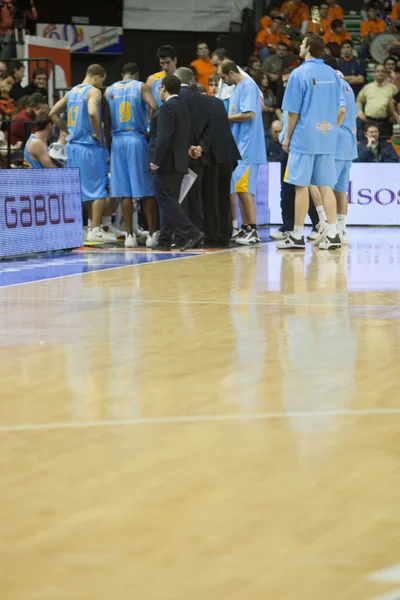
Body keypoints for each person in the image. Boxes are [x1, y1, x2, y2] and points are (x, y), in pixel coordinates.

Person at [277, 33, 342, 250]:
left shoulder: (299, 73)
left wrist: (287, 137)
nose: (299, 47)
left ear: (309, 47)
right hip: (326, 136)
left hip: (304, 139)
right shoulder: (332, 74)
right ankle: (333, 233)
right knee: (326, 187)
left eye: (302, 44)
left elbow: (292, 112)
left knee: (301, 187)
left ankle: (296, 235)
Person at [49, 64, 113, 243]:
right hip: (89, 146)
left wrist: (68, 130)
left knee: (79, 190)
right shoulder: (93, 91)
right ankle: (95, 230)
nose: (101, 84)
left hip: (72, 147)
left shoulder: (72, 92)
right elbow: (93, 112)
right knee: (99, 189)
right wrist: (99, 135)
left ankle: (81, 228)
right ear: (97, 76)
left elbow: (53, 113)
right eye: (102, 81)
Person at [104, 62, 158, 248]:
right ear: (136, 74)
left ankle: (129, 235)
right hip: (136, 137)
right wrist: (149, 125)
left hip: (117, 141)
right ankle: (152, 234)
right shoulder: (140, 86)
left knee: (124, 192)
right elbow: (154, 105)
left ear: (122, 74)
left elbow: (106, 121)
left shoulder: (109, 90)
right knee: (146, 190)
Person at [149, 74, 203, 251]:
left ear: (164, 87)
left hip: (167, 162)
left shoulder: (167, 108)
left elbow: (164, 137)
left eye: (159, 88)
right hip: (180, 162)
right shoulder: (183, 106)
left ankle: (191, 232)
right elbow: (185, 134)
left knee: (165, 199)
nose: (158, 91)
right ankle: (164, 240)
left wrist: (156, 160)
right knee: (169, 201)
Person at [221, 60, 267, 245]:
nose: (223, 82)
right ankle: (246, 228)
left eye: (224, 77)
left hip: (248, 146)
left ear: (231, 73)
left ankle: (253, 230)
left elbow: (249, 113)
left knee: (244, 189)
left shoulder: (248, 85)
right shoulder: (237, 88)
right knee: (240, 188)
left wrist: (226, 118)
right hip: (239, 146)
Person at [175, 67, 214, 231]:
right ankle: (197, 231)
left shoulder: (173, 99)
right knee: (196, 195)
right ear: (192, 81)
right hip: (198, 154)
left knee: (179, 195)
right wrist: (200, 147)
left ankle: (182, 232)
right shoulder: (204, 100)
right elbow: (211, 127)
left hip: (178, 154)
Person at [201, 93, 241, 246]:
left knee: (210, 197)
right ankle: (225, 233)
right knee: (224, 195)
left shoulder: (198, 105)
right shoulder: (217, 102)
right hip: (229, 153)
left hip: (213, 155)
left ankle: (212, 236)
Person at [334, 72, 358, 244]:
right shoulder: (349, 87)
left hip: (337, 142)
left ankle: (330, 228)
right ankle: (342, 230)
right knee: (341, 190)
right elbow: (354, 112)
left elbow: (341, 110)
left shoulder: (335, 84)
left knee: (325, 187)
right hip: (349, 142)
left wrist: (330, 130)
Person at [356, 64, 399, 139]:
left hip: (386, 122)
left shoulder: (393, 88)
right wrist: (360, 113)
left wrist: (395, 116)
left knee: (386, 147)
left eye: (383, 71)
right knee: (369, 145)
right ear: (374, 73)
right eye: (378, 71)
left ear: (386, 73)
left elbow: (398, 102)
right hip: (369, 121)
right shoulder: (367, 87)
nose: (380, 73)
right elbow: (359, 101)